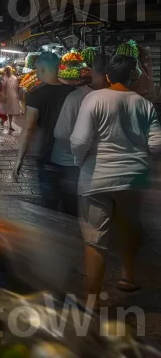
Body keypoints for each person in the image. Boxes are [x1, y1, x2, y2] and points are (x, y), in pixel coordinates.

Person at [71, 55, 161, 302]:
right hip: (133, 179)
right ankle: (127, 278)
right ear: (133, 77)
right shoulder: (144, 104)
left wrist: (81, 163)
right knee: (128, 228)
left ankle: (92, 300)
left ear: (108, 76)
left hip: (96, 179)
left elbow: (79, 141)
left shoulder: (94, 98)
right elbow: (156, 145)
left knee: (95, 239)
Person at [11, 52, 75, 211]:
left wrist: (19, 159)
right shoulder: (73, 90)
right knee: (72, 209)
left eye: (37, 68)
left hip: (48, 156)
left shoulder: (36, 94)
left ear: (43, 68)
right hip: (73, 157)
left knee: (50, 208)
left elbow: (29, 128)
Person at [51, 56, 108, 216]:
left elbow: (60, 133)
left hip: (73, 161)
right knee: (81, 208)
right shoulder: (100, 97)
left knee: (76, 209)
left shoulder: (76, 97)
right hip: (79, 163)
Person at [0, 66, 22, 133]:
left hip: (13, 95)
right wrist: (3, 95)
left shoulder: (14, 78)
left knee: (11, 111)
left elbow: (16, 87)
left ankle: (10, 125)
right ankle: (2, 121)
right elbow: (3, 87)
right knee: (5, 110)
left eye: (9, 70)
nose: (8, 72)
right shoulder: (4, 78)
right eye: (7, 71)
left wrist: (17, 94)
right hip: (6, 96)